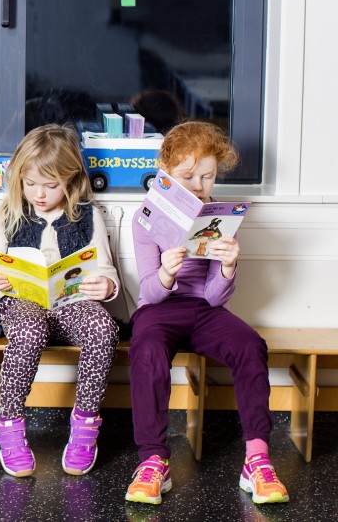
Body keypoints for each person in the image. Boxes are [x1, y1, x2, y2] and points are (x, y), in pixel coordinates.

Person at [125, 122, 289, 505]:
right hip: (159, 309)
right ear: (165, 174)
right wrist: (167, 271)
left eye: (208, 176)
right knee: (146, 347)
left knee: (250, 344)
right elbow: (147, 291)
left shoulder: (219, 217)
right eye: (187, 176)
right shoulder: (144, 218)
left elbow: (215, 299)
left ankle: (258, 459)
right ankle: (152, 461)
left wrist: (229, 266)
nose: (198, 186)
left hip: (202, 310)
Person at [0, 124, 120, 478]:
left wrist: (105, 285)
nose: (39, 194)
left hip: (70, 303)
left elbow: (105, 268)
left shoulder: (88, 213)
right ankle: (10, 425)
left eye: (51, 185)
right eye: (30, 183)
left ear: (71, 180)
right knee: (27, 331)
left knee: (104, 327)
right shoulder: (9, 213)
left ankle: (85, 426)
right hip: (22, 302)